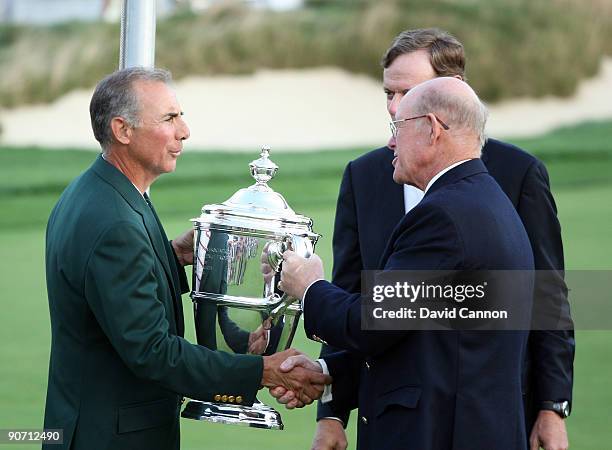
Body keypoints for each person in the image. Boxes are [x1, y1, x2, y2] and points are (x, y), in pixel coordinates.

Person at [42, 67, 330, 450]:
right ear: (122, 130)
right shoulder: (115, 222)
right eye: (169, 118)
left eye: (181, 116)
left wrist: (173, 256)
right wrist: (262, 370)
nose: (184, 131)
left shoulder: (97, 191)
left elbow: (109, 291)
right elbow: (153, 352)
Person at [313, 28, 574, 450]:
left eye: (409, 93)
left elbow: (546, 295)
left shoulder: (516, 173)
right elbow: (356, 296)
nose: (396, 108)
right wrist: (332, 411)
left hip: (481, 414)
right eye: (388, 94)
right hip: (397, 417)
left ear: (451, 95)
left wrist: (551, 404)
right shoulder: (364, 176)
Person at [276, 77, 535, 449]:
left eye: (397, 128)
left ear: (431, 129)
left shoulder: (443, 216)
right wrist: (330, 370)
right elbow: (425, 334)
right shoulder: (486, 201)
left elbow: (374, 321)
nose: (390, 142)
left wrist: (310, 286)